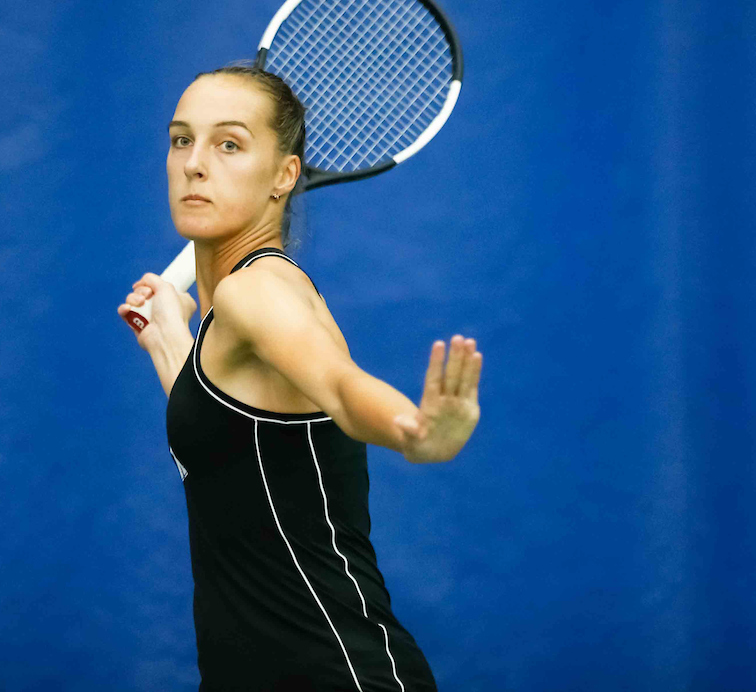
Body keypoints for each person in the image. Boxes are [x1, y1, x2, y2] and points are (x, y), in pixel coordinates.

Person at [117, 66, 482, 691]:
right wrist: (170, 338)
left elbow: (339, 385)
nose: (194, 164)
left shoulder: (257, 290)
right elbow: (232, 458)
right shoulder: (224, 318)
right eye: (182, 140)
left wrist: (415, 431)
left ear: (285, 175)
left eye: (229, 144)